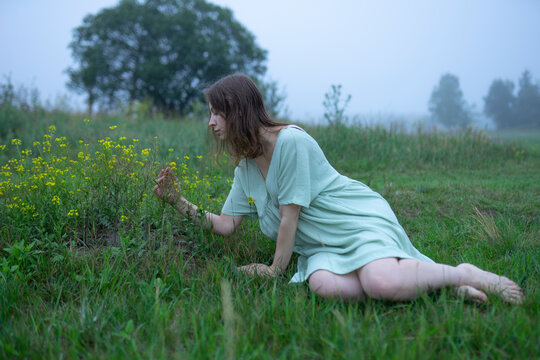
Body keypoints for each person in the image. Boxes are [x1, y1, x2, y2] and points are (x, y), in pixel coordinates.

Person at [153, 73, 523, 304]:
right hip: (321, 246)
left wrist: (273, 270)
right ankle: (435, 286)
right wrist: (176, 201)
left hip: (353, 221)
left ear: (237, 111)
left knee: (378, 283)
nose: (210, 123)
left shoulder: (291, 143)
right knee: (328, 289)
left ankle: (465, 273)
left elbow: (288, 218)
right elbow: (225, 225)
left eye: (216, 113)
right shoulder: (246, 168)